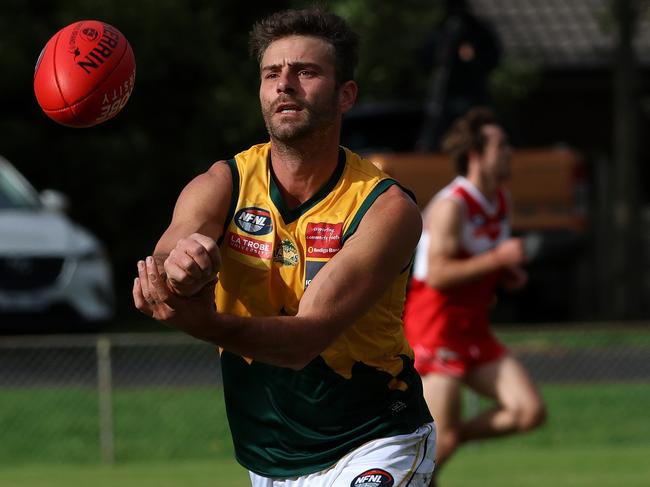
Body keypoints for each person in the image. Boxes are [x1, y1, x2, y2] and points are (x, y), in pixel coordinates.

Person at [133, 7, 435, 487]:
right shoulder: (223, 182)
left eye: (306, 72)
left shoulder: (385, 208)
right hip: (269, 456)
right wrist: (178, 274)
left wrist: (202, 322)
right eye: (272, 73)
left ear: (346, 95)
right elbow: (167, 257)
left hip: (374, 439)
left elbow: (305, 340)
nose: (284, 84)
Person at [403, 107, 546, 484]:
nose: (510, 152)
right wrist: (498, 257)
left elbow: (480, 262)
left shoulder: (500, 201)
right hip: (436, 330)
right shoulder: (452, 205)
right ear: (475, 155)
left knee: (528, 410)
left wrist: (504, 272)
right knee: (434, 444)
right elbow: (437, 274)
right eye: (501, 145)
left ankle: (455, 437)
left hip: (473, 330)